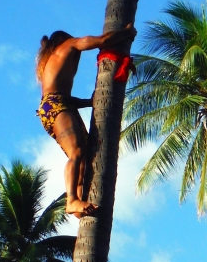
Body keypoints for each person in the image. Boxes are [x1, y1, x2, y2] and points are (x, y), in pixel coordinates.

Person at [36, 24, 136, 218]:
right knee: (76, 152)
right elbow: (102, 41)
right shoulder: (69, 45)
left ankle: (79, 200)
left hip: (56, 106)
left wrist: (90, 102)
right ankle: (71, 200)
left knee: (83, 158)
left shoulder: (54, 62)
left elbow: (63, 97)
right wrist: (126, 33)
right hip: (56, 106)